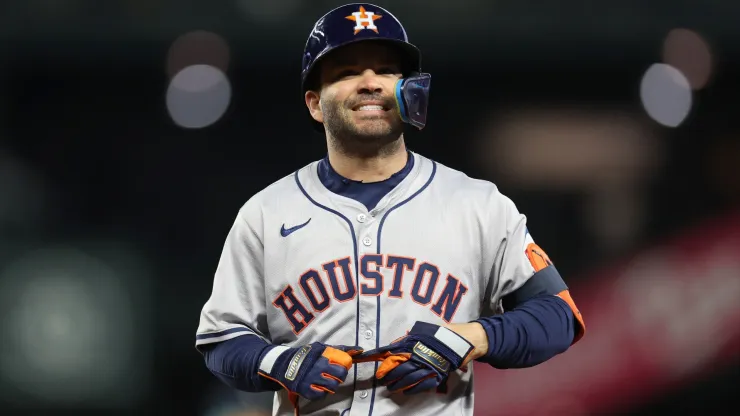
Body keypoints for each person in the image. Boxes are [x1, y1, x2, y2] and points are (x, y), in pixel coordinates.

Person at [195, 3, 586, 415]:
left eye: (386, 70)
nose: (370, 83)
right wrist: (277, 361)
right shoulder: (266, 213)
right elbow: (220, 341)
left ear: (409, 89)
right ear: (314, 104)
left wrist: (467, 338)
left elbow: (558, 316)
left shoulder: (478, 205)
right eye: (347, 72)